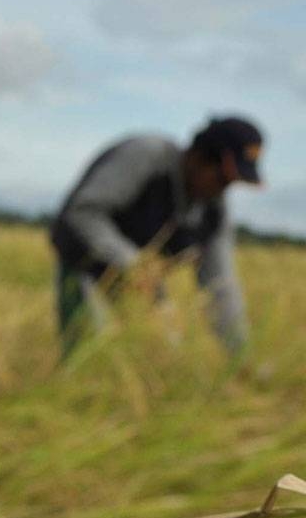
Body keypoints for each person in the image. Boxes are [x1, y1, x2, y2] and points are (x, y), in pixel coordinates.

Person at [49, 115, 264, 358]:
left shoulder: (213, 210)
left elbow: (220, 284)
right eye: (222, 178)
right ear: (197, 156)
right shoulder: (146, 156)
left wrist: (240, 356)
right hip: (85, 262)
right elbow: (83, 212)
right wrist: (133, 264)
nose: (223, 190)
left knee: (164, 349)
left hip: (140, 281)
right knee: (90, 349)